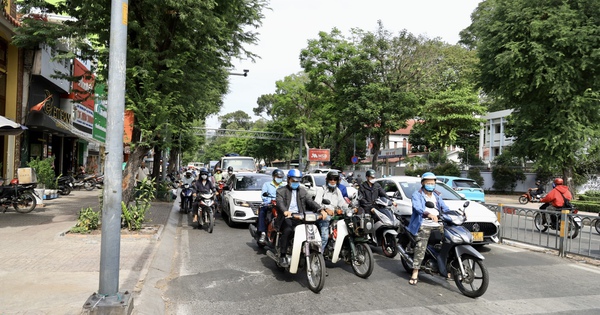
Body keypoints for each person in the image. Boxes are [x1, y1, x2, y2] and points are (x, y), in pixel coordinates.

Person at [407, 172, 450, 286]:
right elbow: (418, 208)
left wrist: (454, 213)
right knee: (421, 247)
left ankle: (445, 267)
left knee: (448, 243)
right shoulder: (417, 195)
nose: (431, 185)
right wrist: (428, 214)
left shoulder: (437, 195)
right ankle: (415, 272)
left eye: (433, 183)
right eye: (428, 183)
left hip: (438, 224)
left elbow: (444, 207)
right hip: (424, 224)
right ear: (423, 183)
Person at [275, 169, 323, 267]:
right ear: (288, 179)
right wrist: (285, 211)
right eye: (293, 180)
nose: (295, 183)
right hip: (287, 217)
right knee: (288, 230)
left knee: (315, 228)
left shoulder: (303, 191)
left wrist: (321, 209)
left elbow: (310, 201)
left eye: (298, 181)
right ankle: (283, 255)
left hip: (300, 217)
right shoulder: (281, 191)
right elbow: (280, 203)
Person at [314, 170, 348, 252]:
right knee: (325, 236)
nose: (332, 181)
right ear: (327, 180)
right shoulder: (321, 190)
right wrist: (325, 209)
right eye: (331, 179)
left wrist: (350, 208)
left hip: (335, 217)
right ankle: (318, 255)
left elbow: (342, 203)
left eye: (335, 179)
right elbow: (316, 203)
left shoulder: (338, 191)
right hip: (324, 216)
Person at [257, 169, 285, 244]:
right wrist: (270, 201)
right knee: (262, 212)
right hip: (269, 204)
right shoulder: (267, 184)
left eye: (280, 177)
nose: (279, 178)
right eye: (277, 177)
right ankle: (263, 233)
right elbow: (264, 196)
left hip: (280, 205)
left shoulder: (284, 186)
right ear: (273, 177)